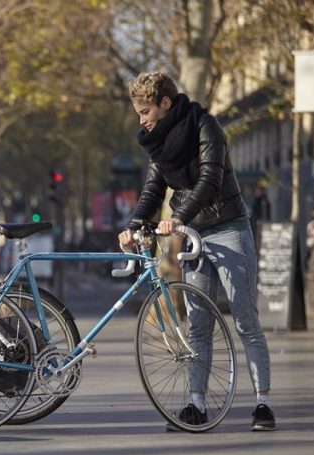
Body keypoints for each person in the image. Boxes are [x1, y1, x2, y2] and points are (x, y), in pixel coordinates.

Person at [118, 70, 276, 431]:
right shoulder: (158, 143)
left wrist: (178, 217)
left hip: (228, 228)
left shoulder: (206, 126)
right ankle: (196, 403)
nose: (142, 121)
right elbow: (152, 189)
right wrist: (133, 224)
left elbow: (210, 179)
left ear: (165, 103)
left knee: (246, 320)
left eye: (145, 112)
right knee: (198, 324)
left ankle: (263, 404)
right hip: (193, 235)